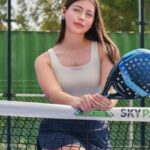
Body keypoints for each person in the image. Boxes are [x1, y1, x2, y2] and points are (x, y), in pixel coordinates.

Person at [35, 0, 120, 149]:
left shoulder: (105, 51)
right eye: (77, 10)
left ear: (93, 21)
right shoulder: (43, 60)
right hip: (58, 127)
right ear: (64, 12)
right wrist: (77, 101)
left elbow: (110, 90)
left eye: (88, 14)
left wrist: (108, 101)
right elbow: (53, 93)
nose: (81, 17)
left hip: (96, 130)